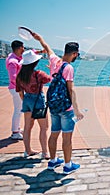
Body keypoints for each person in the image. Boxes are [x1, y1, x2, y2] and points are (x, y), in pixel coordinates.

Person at [33, 32, 83, 174]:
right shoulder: (68, 68)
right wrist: (77, 110)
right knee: (67, 137)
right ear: (74, 53)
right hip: (66, 108)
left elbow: (46, 47)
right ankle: (68, 166)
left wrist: (39, 37)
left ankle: (53, 161)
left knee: (54, 134)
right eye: (77, 55)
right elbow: (71, 90)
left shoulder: (54, 60)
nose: (76, 57)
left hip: (53, 106)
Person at [16, 50, 51, 159]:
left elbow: (20, 92)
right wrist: (51, 69)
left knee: (27, 127)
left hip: (27, 100)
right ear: (34, 63)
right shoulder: (38, 74)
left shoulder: (19, 76)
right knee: (44, 127)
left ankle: (27, 151)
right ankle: (45, 152)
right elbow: (50, 79)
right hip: (38, 101)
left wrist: (26, 101)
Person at [5, 40, 25, 140]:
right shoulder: (13, 61)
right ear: (19, 48)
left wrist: (39, 52)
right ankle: (15, 132)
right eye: (23, 47)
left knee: (19, 110)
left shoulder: (13, 56)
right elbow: (13, 77)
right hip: (16, 88)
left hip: (16, 88)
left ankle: (16, 128)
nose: (24, 49)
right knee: (18, 110)